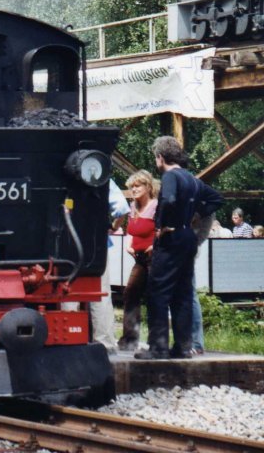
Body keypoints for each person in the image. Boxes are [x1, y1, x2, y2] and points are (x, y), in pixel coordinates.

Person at [135, 136, 223, 360]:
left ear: (160, 157)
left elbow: (170, 200)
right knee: (182, 293)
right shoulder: (193, 179)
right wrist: (196, 214)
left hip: (171, 237)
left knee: (158, 291)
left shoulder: (171, 176)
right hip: (188, 237)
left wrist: (162, 226)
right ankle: (183, 347)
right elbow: (216, 199)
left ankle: (158, 347)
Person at [117, 170, 158, 352]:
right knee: (130, 293)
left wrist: (154, 246)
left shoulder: (156, 206)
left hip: (154, 259)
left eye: (137, 185)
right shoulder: (133, 206)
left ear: (148, 187)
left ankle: (156, 342)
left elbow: (162, 230)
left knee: (154, 297)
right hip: (139, 258)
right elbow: (130, 231)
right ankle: (130, 339)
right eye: (131, 186)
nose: (134, 189)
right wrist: (129, 245)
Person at [90, 179, 129, 354]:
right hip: (96, 241)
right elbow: (121, 207)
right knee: (100, 292)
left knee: (68, 292)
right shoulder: (99, 175)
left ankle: (70, 339)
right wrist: (113, 227)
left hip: (63, 242)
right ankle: (104, 343)